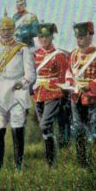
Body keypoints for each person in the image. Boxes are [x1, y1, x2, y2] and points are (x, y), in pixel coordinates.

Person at [0, 12, 35, 170]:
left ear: (13, 30)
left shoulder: (22, 49)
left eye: (8, 29)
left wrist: (23, 83)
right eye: (2, 30)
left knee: (17, 130)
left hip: (16, 92)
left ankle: (18, 166)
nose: (5, 33)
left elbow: (30, 73)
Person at [67, 21, 96, 166]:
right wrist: (70, 82)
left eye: (82, 36)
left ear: (90, 36)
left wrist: (91, 85)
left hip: (94, 98)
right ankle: (82, 163)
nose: (79, 39)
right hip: (76, 97)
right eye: (77, 37)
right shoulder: (73, 55)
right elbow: (69, 73)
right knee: (78, 129)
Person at [31, 23, 68, 166]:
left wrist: (57, 90)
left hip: (53, 93)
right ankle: (51, 162)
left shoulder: (58, 55)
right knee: (46, 129)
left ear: (52, 37)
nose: (43, 39)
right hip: (38, 93)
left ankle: (51, 161)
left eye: (46, 36)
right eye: (41, 36)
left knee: (44, 125)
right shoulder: (36, 54)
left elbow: (63, 76)